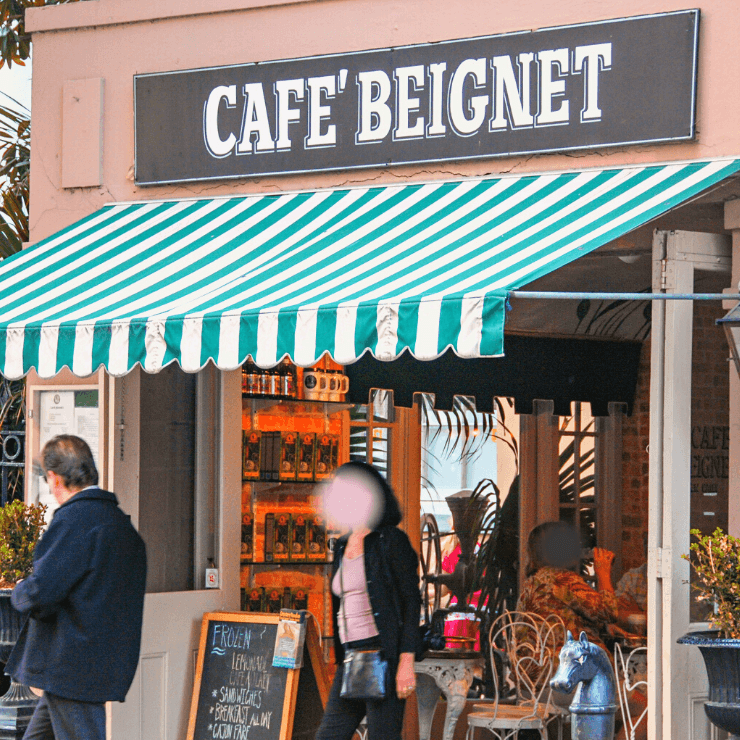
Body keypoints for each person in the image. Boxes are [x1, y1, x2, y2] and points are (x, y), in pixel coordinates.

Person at [5, 435, 147, 740]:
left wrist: (20, 590)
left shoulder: (74, 521)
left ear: (54, 478)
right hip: (100, 660)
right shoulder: (121, 525)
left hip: (70, 663)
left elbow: (43, 590)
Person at [316, 461, 422, 740]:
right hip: (351, 660)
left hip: (384, 658)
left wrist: (406, 662)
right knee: (329, 735)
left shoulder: (391, 541)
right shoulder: (342, 544)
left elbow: (412, 602)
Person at [517, 521, 617, 652]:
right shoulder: (563, 580)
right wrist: (603, 573)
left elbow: (563, 617)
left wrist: (602, 627)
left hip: (532, 665)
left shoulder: (531, 582)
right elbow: (609, 612)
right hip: (566, 666)